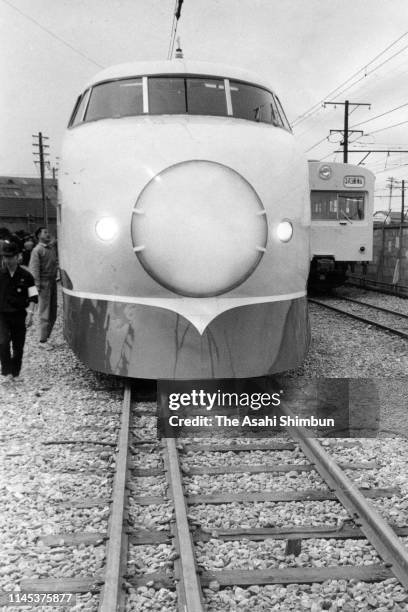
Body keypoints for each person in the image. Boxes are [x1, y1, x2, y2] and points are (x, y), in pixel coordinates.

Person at [0, 241, 38, 382]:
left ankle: (15, 373)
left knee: (18, 345)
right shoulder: (0, 274)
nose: (7, 260)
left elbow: (33, 296)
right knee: (2, 342)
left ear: (18, 257)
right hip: (2, 315)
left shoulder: (27, 276)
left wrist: (30, 314)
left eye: (10, 257)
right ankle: (6, 372)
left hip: (19, 314)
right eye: (5, 257)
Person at [29, 227, 58, 347]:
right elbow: (34, 270)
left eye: (48, 232)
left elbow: (55, 263)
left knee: (53, 312)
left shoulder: (51, 249)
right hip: (43, 284)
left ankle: (46, 336)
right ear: (38, 236)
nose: (48, 234)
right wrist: (36, 288)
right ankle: (42, 341)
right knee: (44, 312)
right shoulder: (37, 250)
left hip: (53, 282)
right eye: (45, 232)